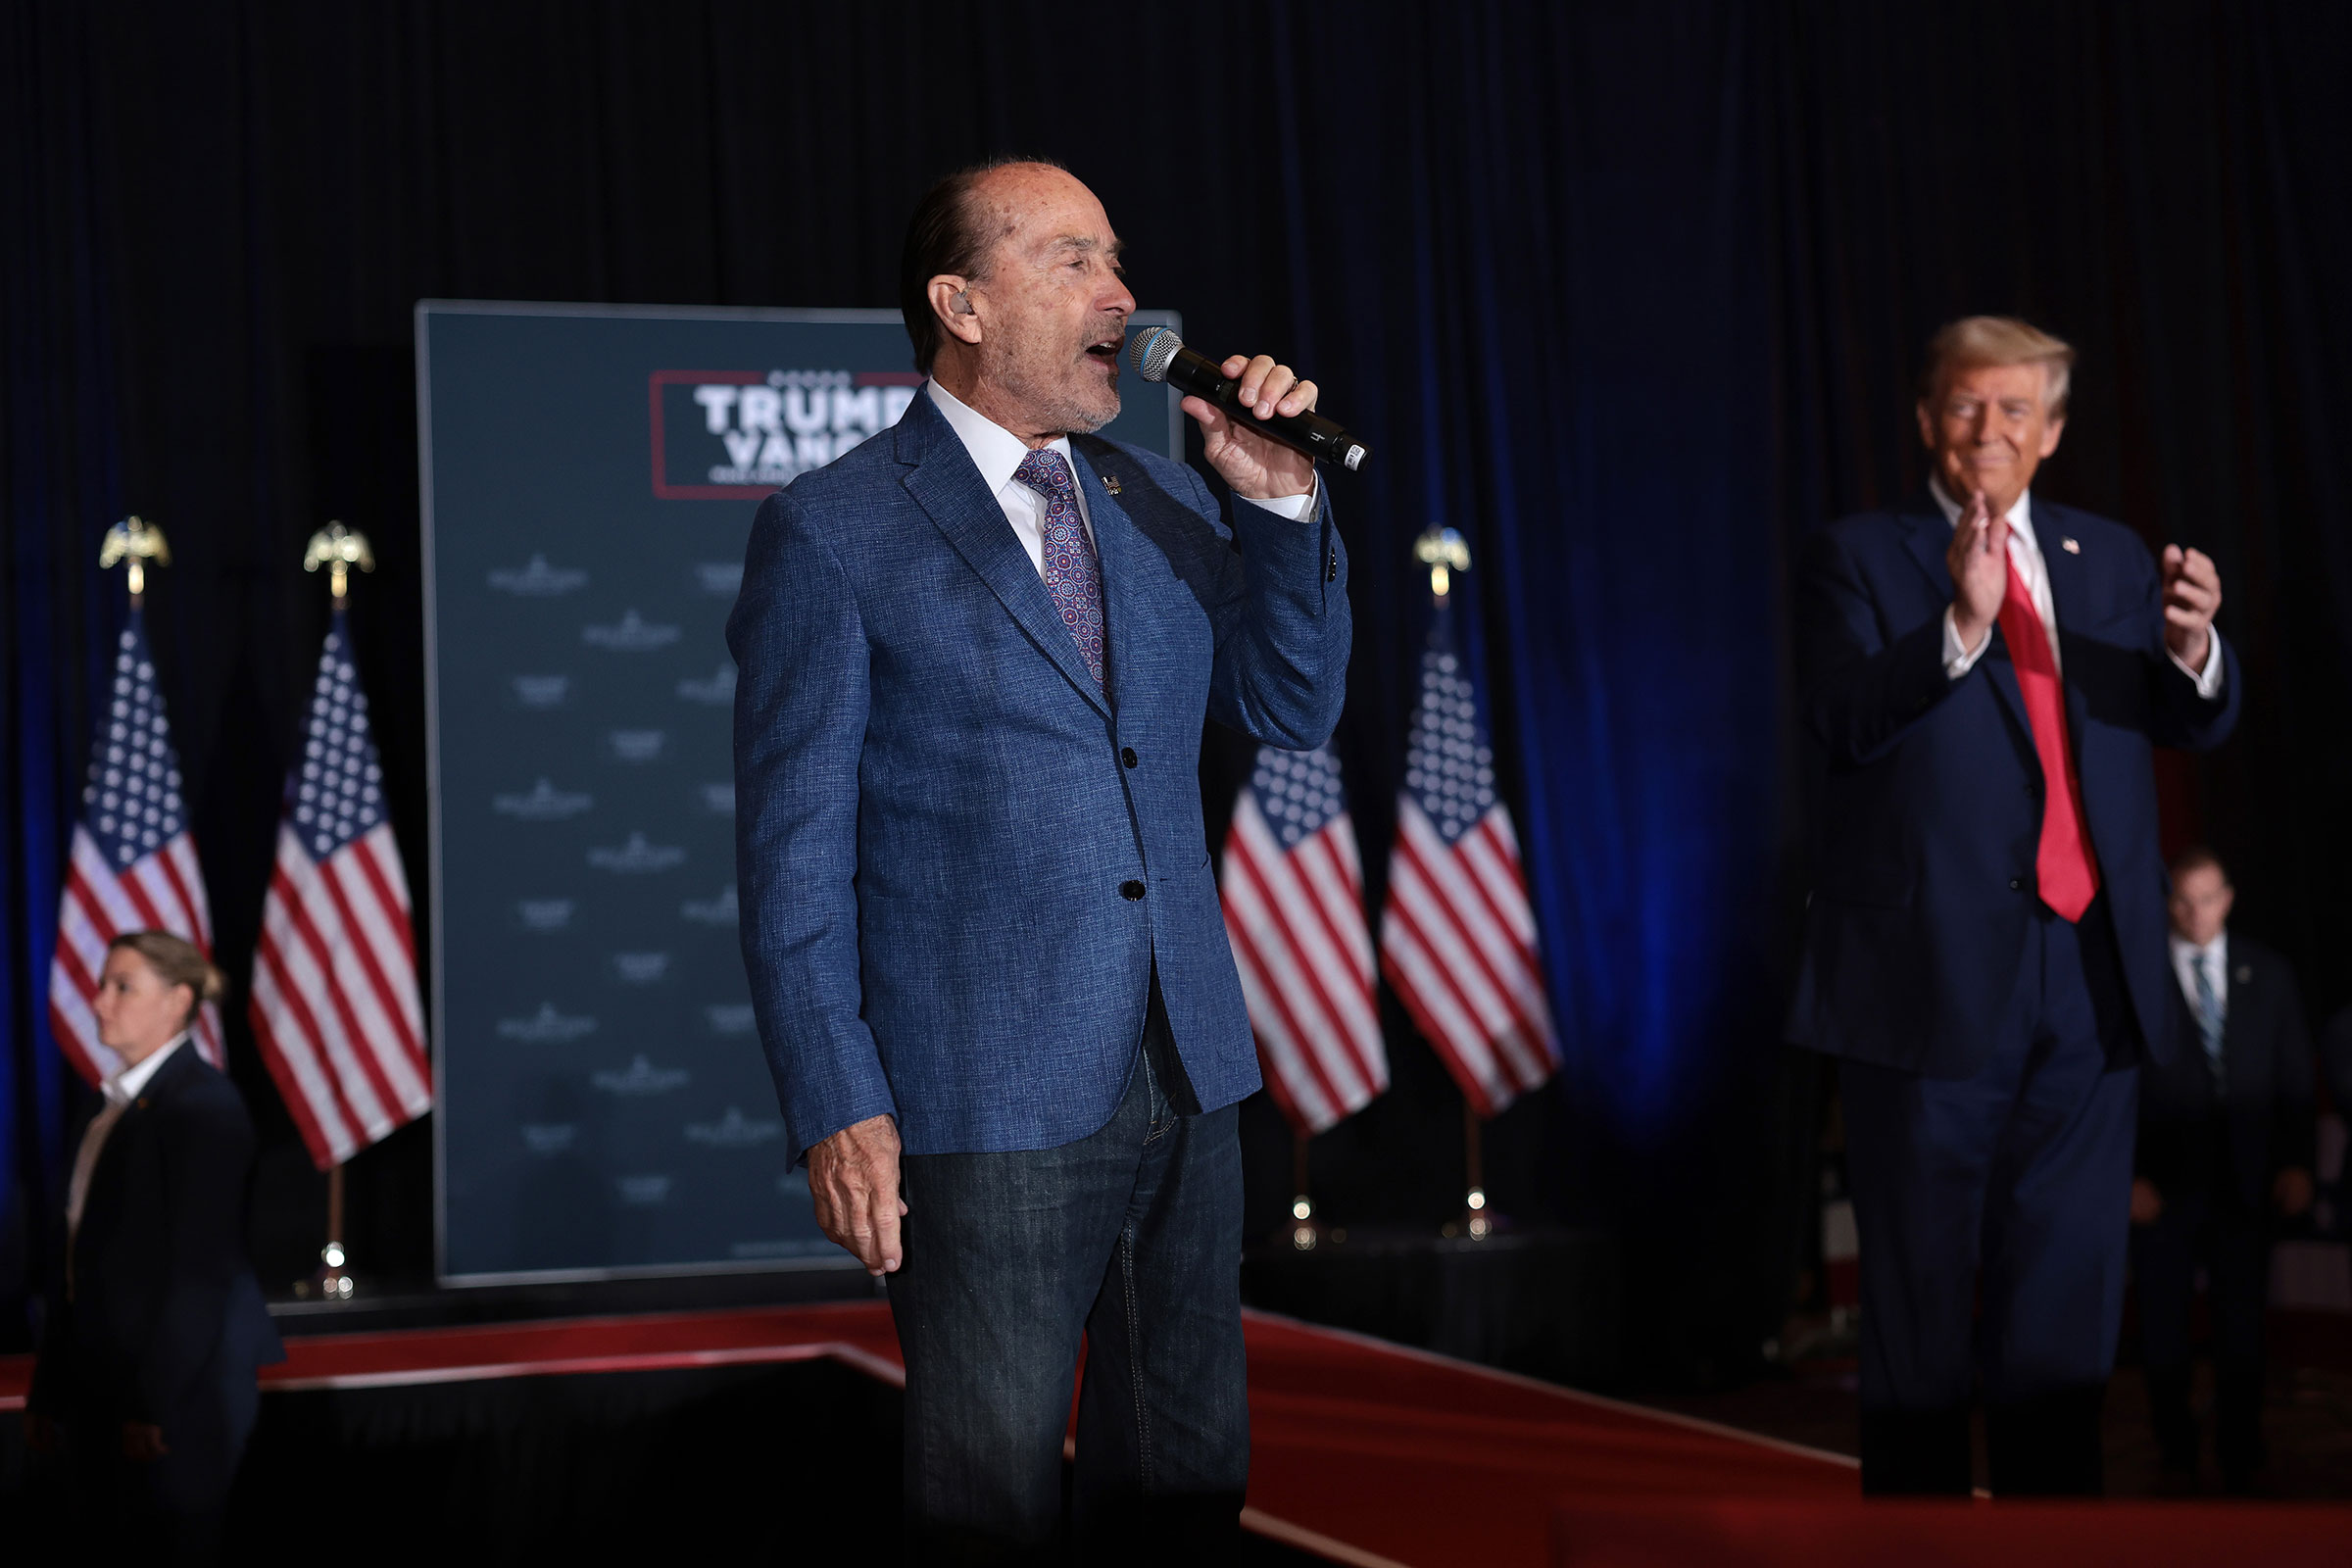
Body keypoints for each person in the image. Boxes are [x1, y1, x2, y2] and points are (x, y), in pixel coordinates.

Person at [727, 158, 1348, 1562]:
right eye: (1071, 261)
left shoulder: (1166, 501)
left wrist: (1280, 506)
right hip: (979, 1097)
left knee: (1186, 1479)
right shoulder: (834, 532)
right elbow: (791, 863)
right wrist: (839, 1104)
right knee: (989, 1495)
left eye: (1116, 261)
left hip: (1185, 1070)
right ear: (959, 303)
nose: (1121, 297)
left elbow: (1294, 708)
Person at [1788, 317, 2240, 1495]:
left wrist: (2195, 652)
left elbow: (2187, 716)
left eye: (2015, 411)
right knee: (1920, 1322)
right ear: (1926, 420)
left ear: (2053, 432)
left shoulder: (2112, 558)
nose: (1989, 431)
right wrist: (1963, 624)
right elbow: (1841, 719)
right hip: (1927, 982)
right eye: (1964, 407)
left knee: (2064, 1312)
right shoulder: (1860, 555)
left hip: (2092, 983)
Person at [24, 931, 283, 1562]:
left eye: (122, 987)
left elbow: (199, 1271)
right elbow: (77, 1263)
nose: (99, 1002)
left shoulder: (205, 1107)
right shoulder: (107, 1107)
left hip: (179, 1404)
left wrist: (155, 1406)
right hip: (99, 1395)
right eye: (102, 984)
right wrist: (48, 1391)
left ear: (177, 1002)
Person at [2132, 848, 2314, 1492]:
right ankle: (2174, 1447)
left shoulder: (2267, 973)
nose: (2196, 912)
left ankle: (2243, 1444)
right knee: (2164, 1330)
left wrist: (2296, 1163)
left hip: (2247, 1182)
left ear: (2228, 899)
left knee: (2243, 1326)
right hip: (2162, 1188)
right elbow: (2116, 1083)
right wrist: (2128, 1177)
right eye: (2183, 899)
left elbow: (2295, 1078)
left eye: (2208, 898)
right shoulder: (2139, 978)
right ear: (2166, 903)